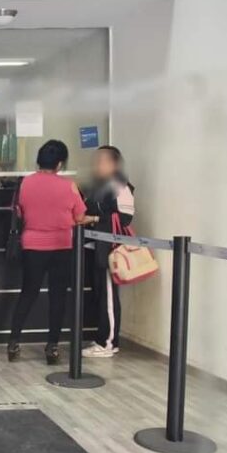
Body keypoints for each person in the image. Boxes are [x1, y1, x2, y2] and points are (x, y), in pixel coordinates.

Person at [8, 140, 97, 364]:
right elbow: (79, 217)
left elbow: (19, 211)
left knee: (28, 293)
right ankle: (52, 347)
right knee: (58, 297)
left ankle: (14, 342)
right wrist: (96, 218)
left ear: (39, 160)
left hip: (32, 246)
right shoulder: (69, 186)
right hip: (61, 246)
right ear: (60, 164)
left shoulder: (25, 183)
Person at [82, 145, 136, 358]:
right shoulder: (99, 187)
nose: (98, 165)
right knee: (100, 294)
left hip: (110, 250)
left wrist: (94, 218)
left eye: (103, 161)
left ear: (114, 164)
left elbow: (125, 218)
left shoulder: (120, 186)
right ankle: (102, 337)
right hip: (96, 247)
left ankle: (108, 342)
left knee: (109, 297)